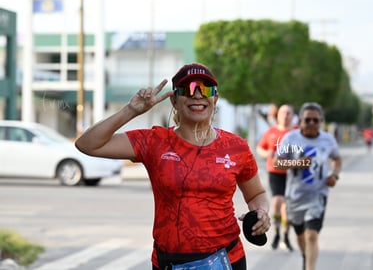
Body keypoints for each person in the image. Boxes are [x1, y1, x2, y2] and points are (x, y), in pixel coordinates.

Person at [75, 63, 271, 270]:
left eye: (205, 89)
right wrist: (131, 110)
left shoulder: (236, 147)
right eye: (188, 89)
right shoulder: (154, 141)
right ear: (174, 100)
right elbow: (87, 144)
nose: (197, 95)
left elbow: (256, 194)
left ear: (215, 98)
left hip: (226, 259)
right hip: (169, 262)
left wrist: (262, 212)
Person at [273, 102, 342, 270]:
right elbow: (276, 163)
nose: (311, 123)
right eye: (307, 120)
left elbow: (337, 159)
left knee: (312, 235)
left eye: (315, 120)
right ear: (301, 121)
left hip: (318, 195)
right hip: (295, 196)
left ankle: (309, 267)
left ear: (321, 122)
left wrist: (334, 175)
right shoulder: (291, 138)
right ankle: (306, 255)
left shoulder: (328, 139)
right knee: (301, 235)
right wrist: (297, 163)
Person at [256, 104, 295, 251]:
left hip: (292, 174)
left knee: (287, 207)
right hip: (275, 172)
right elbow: (260, 148)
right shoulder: (270, 132)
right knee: (278, 202)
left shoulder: (297, 133)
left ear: (293, 116)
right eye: (283, 113)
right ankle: (277, 233)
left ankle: (285, 234)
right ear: (277, 116)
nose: (285, 116)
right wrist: (267, 154)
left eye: (288, 113)